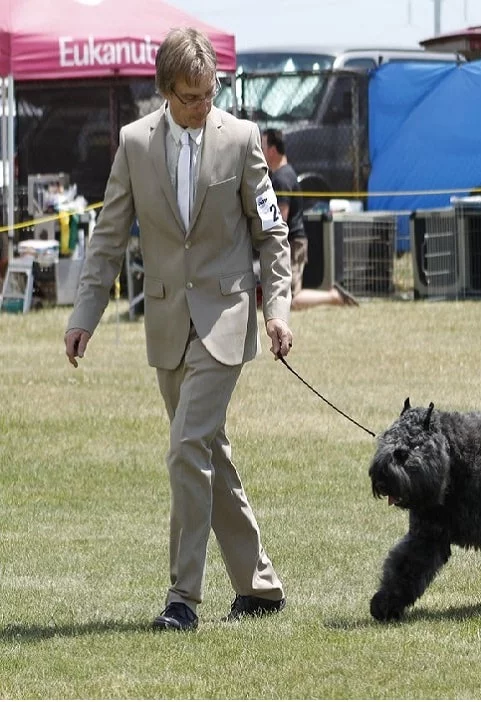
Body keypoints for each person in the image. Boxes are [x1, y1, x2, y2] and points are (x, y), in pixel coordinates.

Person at [64, 27, 293, 632]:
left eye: (210, 92)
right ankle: (260, 585)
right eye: (190, 96)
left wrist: (278, 310)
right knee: (207, 450)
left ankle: (182, 599)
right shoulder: (134, 144)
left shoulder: (241, 139)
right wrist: (85, 315)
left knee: (186, 447)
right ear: (166, 91)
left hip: (226, 317)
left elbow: (271, 234)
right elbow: (109, 237)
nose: (203, 106)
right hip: (167, 323)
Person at [261, 128, 358, 309]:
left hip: (291, 244)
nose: (260, 151)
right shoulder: (285, 174)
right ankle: (333, 296)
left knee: (291, 299)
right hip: (292, 243)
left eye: (263, 146)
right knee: (286, 296)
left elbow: (281, 219)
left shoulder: (282, 179)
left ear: (272, 150)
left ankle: (334, 296)